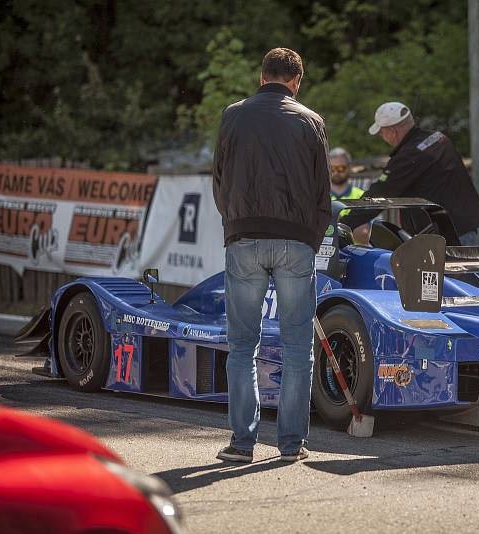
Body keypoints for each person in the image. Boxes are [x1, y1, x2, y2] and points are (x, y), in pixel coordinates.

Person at [212, 47, 331, 463]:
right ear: (296, 82)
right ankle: (291, 445)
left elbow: (220, 180)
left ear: (262, 77)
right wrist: (309, 240)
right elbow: (323, 194)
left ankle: (241, 444)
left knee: (243, 346)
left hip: (244, 237)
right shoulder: (311, 121)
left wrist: (235, 224)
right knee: (299, 346)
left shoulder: (233, 115)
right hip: (296, 240)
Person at [343, 102, 479, 245]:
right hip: (463, 226)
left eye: (381, 131)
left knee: (444, 270)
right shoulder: (438, 138)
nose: (381, 136)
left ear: (392, 131)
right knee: (462, 269)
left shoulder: (409, 155)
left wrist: (343, 226)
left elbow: (380, 194)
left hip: (444, 236)